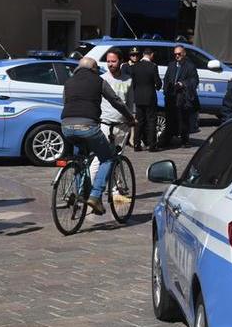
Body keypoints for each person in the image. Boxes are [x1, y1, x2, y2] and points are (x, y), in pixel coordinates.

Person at [61, 57, 135, 215]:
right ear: (94, 69)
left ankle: (82, 193)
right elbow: (116, 101)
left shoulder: (68, 82)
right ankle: (95, 196)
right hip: (88, 126)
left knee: (82, 157)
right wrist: (130, 117)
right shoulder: (98, 80)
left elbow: (65, 103)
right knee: (107, 158)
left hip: (66, 127)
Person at [88, 48, 134, 181]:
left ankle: (115, 189)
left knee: (118, 159)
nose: (110, 64)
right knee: (99, 159)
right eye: (108, 61)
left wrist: (131, 121)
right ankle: (88, 189)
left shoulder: (128, 80)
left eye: (113, 61)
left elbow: (130, 103)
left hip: (122, 126)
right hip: (105, 125)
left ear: (121, 61)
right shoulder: (102, 79)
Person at [160, 45, 199, 148]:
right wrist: (165, 90)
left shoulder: (190, 66)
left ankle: (184, 140)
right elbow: (166, 79)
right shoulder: (171, 65)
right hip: (171, 97)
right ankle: (168, 139)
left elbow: (194, 80)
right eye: (175, 54)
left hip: (183, 97)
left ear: (184, 53)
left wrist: (183, 84)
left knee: (183, 120)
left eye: (179, 54)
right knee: (170, 119)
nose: (177, 56)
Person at [129, 47, 162, 152]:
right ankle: (152, 145)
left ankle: (136, 145)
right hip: (150, 97)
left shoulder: (135, 66)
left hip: (138, 97)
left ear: (143, 54)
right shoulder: (153, 66)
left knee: (139, 121)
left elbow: (132, 83)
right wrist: (157, 86)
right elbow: (158, 83)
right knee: (151, 121)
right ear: (151, 55)